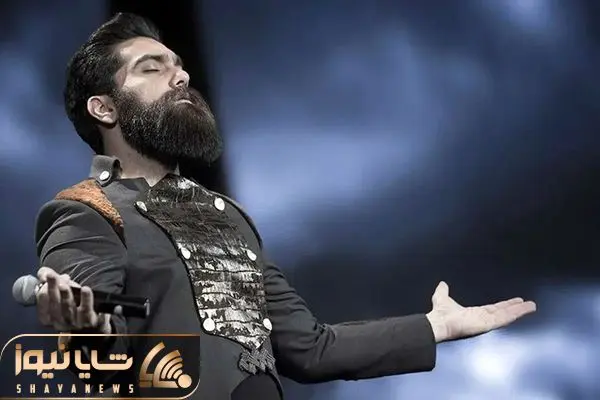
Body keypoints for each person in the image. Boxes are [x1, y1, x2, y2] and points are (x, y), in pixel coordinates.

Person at [33, 12, 536, 399]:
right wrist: (88, 330)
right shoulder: (86, 210)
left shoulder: (227, 216)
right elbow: (95, 350)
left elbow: (310, 348)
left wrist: (435, 327)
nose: (181, 77)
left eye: (180, 66)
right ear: (104, 108)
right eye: (153, 68)